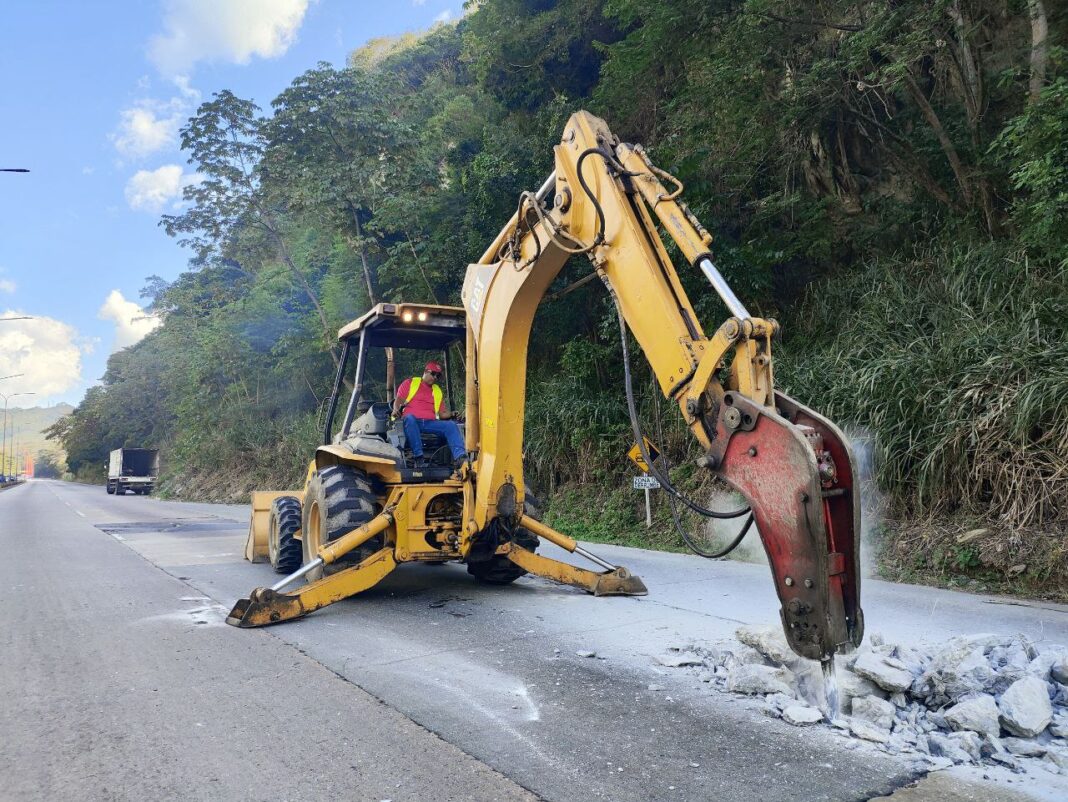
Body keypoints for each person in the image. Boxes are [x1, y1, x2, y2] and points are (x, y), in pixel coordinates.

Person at [393, 361, 466, 469]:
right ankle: (419, 458)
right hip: (411, 422)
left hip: (429, 423)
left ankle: (461, 458)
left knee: (450, 425)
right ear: (426, 371)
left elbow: (442, 414)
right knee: (410, 418)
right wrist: (396, 410)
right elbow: (399, 400)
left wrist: (451, 414)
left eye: (438, 375)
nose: (435, 377)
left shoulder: (437, 391)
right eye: (433, 373)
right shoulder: (410, 383)